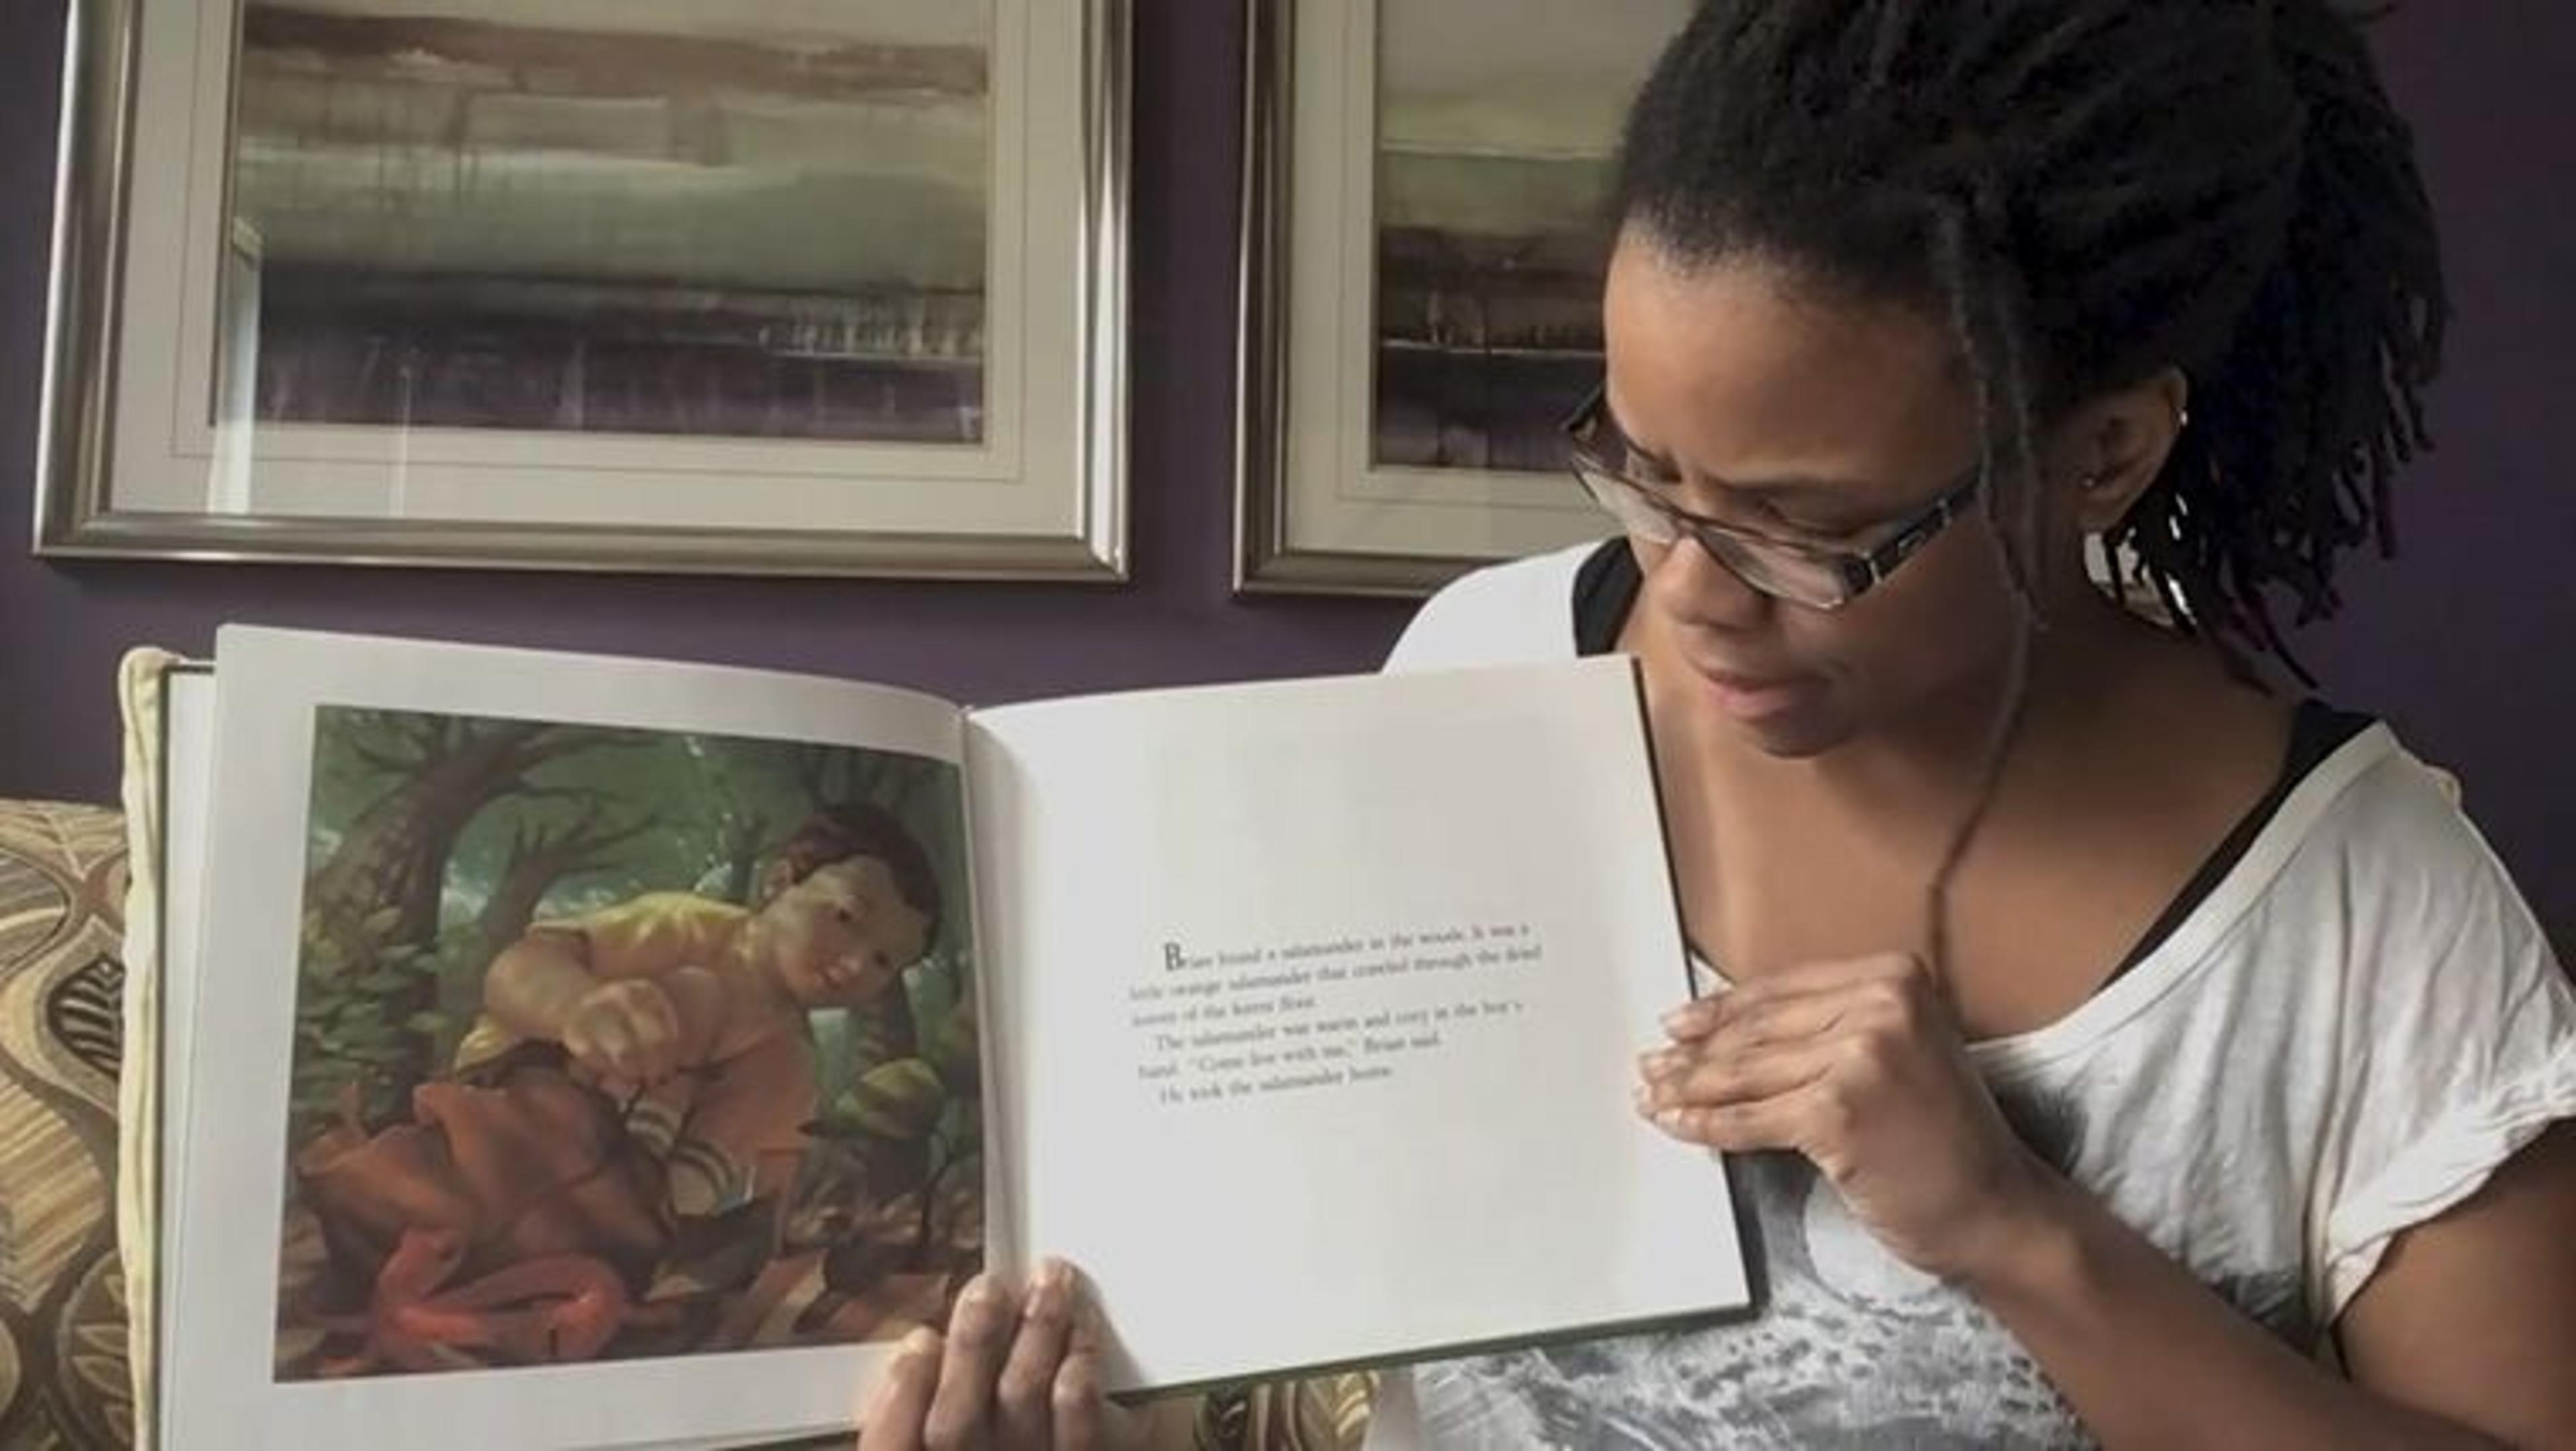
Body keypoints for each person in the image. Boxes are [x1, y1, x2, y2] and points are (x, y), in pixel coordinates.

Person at [855, 2, 2576, 1446]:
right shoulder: (1494, 664)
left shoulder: (2367, 908)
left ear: (2104, 453)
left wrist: (2013, 1230)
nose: (1687, 588)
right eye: (1644, 473)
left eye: (1806, 531)